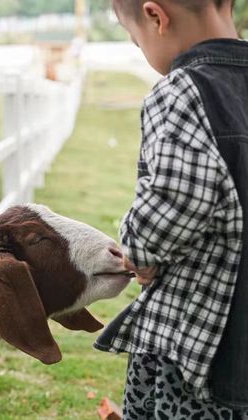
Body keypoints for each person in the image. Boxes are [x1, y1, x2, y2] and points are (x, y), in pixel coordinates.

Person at [93, 1, 248, 418]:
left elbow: (178, 199)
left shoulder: (183, 90)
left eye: (134, 37)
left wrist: (139, 251)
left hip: (197, 338)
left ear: (156, 17)